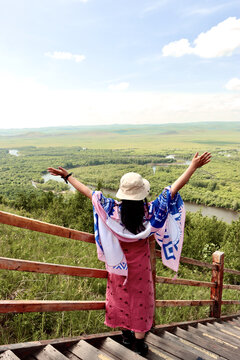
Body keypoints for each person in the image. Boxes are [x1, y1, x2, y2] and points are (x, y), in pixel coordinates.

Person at [48, 151, 211, 355]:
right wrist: (193, 166)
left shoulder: (111, 211)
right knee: (141, 301)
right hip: (141, 267)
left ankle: (125, 338)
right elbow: (174, 189)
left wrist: (67, 176)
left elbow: (89, 193)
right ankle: (140, 343)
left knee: (120, 299)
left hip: (118, 266)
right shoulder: (151, 213)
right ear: (142, 195)